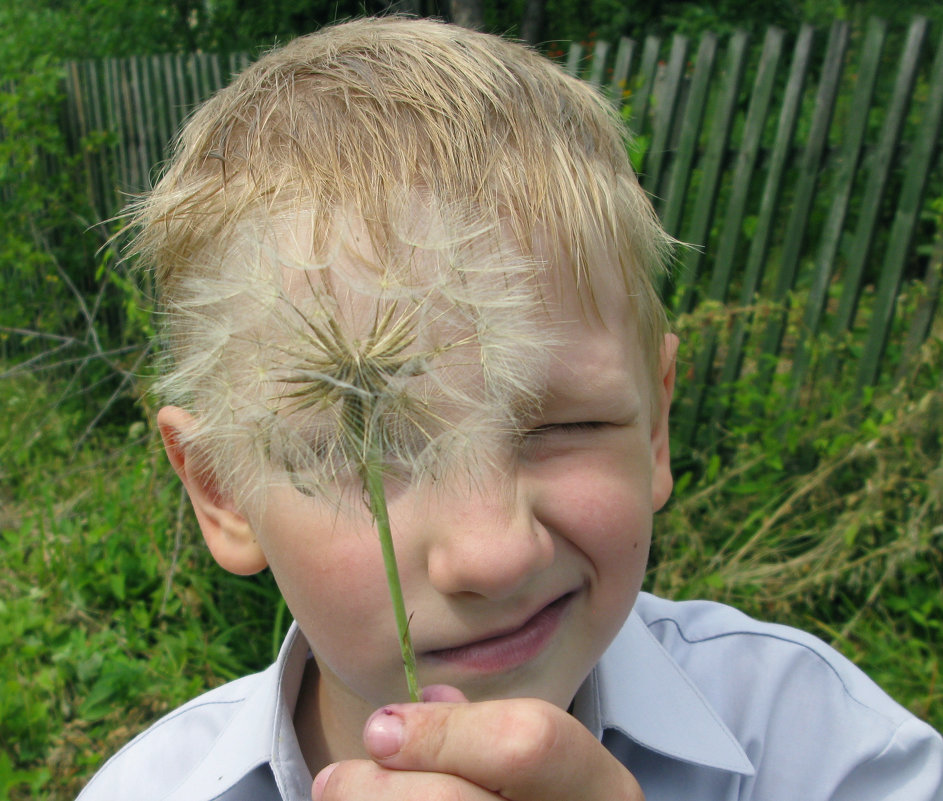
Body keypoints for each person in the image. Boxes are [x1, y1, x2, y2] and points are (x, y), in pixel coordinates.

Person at [77, 16, 942, 801]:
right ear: (222, 492)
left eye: (563, 426)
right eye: (370, 447)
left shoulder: (825, 752)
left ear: (655, 425)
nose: (495, 554)